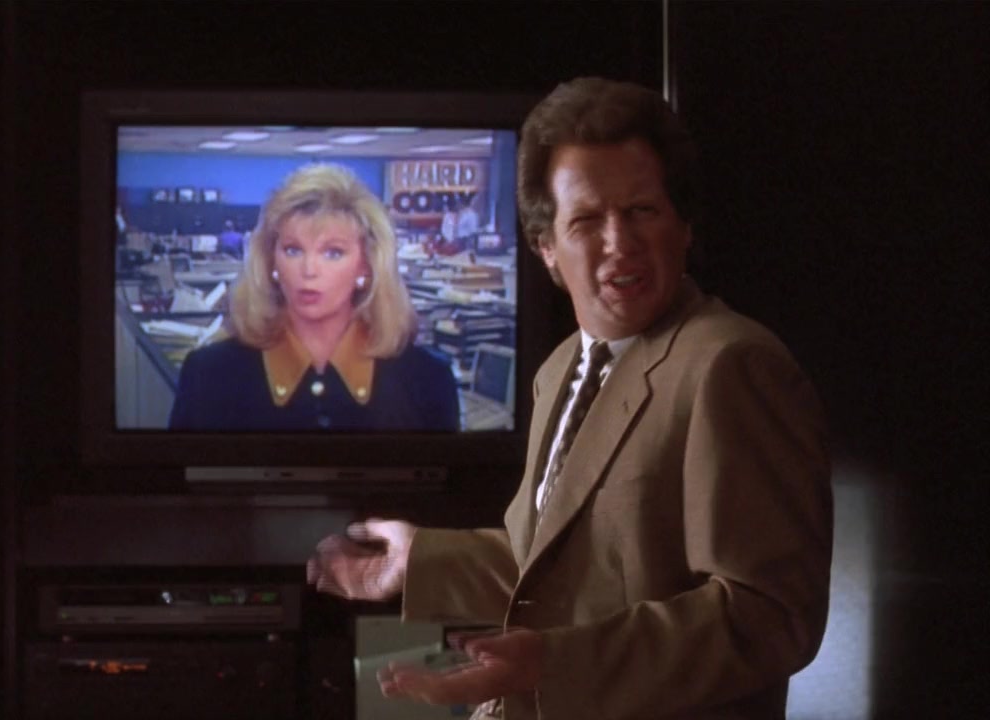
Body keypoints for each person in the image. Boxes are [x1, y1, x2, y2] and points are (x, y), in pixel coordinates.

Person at [307, 77, 833, 720]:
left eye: (642, 211)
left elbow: (770, 615)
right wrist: (419, 563)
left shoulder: (731, 365)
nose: (620, 242)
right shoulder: (560, 369)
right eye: (586, 220)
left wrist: (553, 664)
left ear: (684, 226)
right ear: (547, 249)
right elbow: (567, 567)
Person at [169, 163, 460, 431]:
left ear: (366, 265)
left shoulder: (427, 378)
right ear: (271, 261)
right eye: (293, 250)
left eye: (333, 252)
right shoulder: (208, 374)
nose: (309, 270)